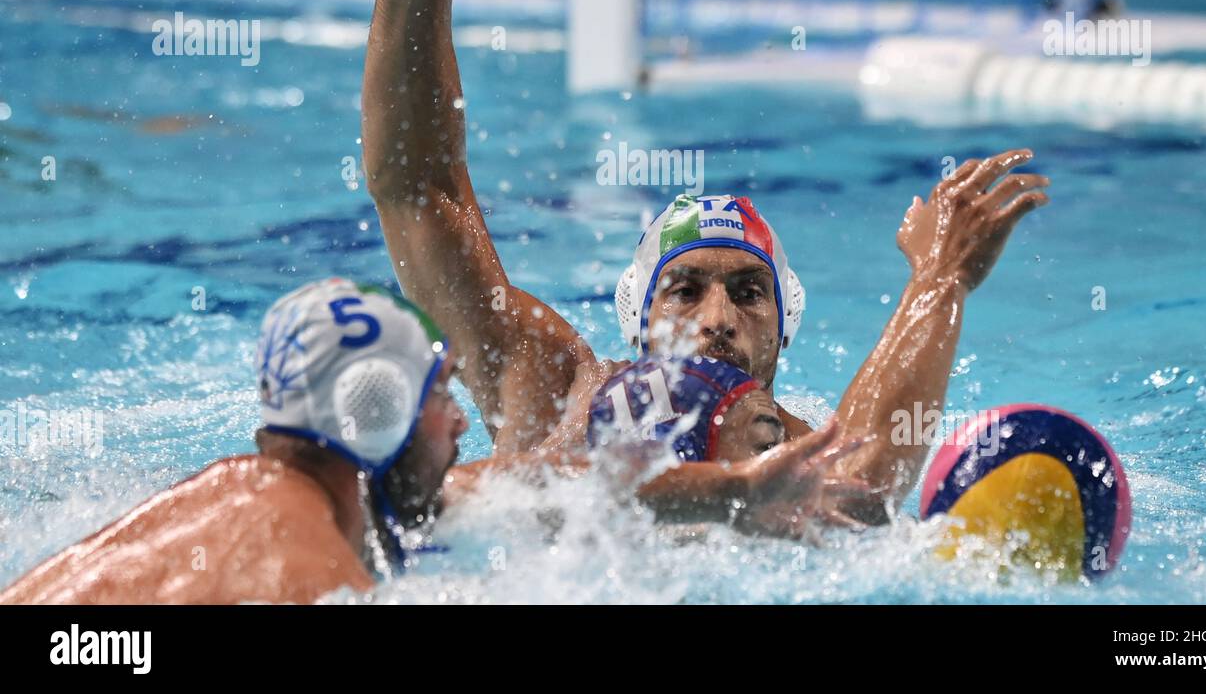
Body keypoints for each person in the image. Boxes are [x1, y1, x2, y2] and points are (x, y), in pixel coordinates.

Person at [362, 0, 1050, 517]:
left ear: (784, 332)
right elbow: (417, 193)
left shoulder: (797, 456)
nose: (717, 320)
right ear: (634, 317)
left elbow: (861, 491)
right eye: (685, 290)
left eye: (748, 293)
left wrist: (941, 279)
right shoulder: (556, 393)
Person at [1, 279, 861, 604]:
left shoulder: (275, 485)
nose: (459, 424)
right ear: (375, 415)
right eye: (439, 398)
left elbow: (551, 488)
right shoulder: (297, 573)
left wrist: (737, 492)